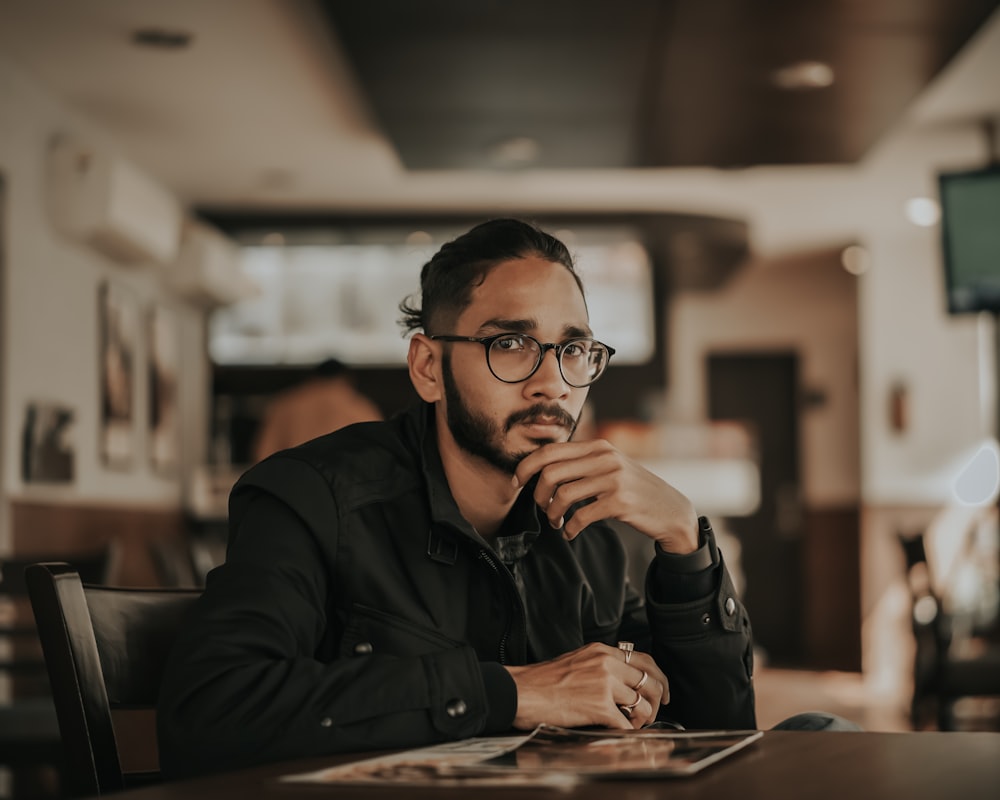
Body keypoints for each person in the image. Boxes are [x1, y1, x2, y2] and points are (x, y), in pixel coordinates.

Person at [157, 218, 828, 780]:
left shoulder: (586, 523)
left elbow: (722, 736)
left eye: (573, 350)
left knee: (821, 731)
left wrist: (684, 540)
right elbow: (210, 713)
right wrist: (515, 691)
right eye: (511, 344)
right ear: (428, 367)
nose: (551, 383)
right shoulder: (314, 498)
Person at [251, 357, 383, 463]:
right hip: (343, 487)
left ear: (313, 376)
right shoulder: (359, 407)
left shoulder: (285, 404)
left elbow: (263, 453)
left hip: (292, 484)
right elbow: (377, 455)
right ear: (346, 378)